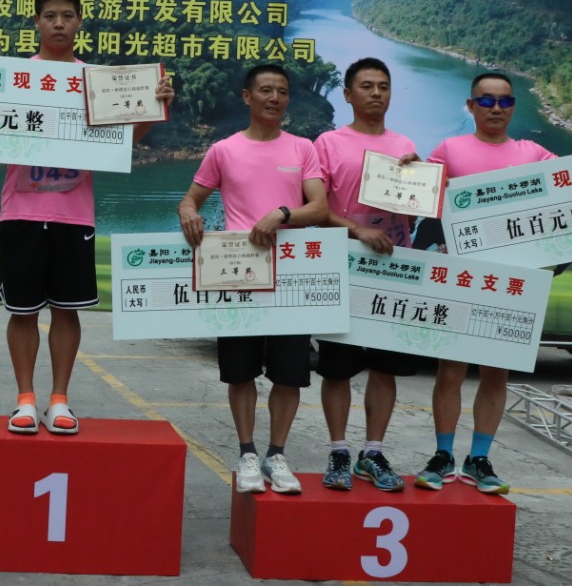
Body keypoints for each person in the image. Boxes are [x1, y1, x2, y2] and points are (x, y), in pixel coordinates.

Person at [0, 0, 172, 436]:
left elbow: (125, 141)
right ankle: (25, 400)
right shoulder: (13, 74)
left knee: (67, 309)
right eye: (50, 16)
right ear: (36, 22)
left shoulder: (98, 82)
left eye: (67, 16)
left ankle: (59, 400)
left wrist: (153, 107)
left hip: (73, 214)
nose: (59, 23)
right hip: (21, 212)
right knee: (22, 310)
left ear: (80, 21)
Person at [178, 63, 326, 494]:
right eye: (265, 90)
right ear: (247, 96)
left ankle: (276, 456)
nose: (274, 98)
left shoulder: (302, 148)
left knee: (290, 374)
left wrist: (282, 214)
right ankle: (246, 453)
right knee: (239, 372)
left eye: (282, 91)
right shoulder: (223, 150)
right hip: (237, 276)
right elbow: (191, 199)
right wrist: (188, 213)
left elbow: (319, 207)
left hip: (291, 277)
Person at [311, 57, 420, 492]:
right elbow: (317, 210)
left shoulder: (404, 144)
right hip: (343, 266)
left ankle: (372, 452)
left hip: (393, 268)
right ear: (348, 94)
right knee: (337, 368)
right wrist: (358, 231)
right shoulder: (328, 143)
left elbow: (414, 212)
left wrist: (420, 185)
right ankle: (339, 450)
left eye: (383, 86)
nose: (376, 93)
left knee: (384, 367)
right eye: (367, 86)